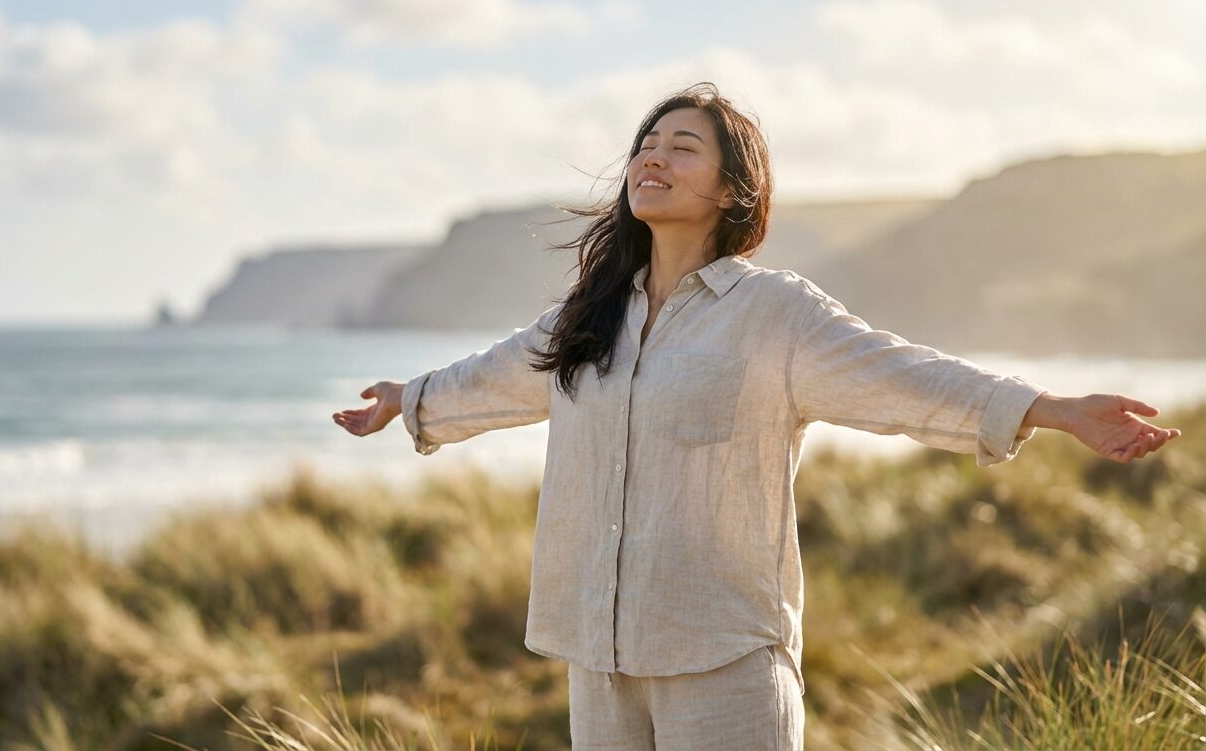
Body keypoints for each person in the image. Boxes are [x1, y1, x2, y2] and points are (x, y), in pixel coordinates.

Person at [330, 82, 1182, 750]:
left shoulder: (773, 314)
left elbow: (901, 379)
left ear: (733, 188)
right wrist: (411, 401)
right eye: (645, 146)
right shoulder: (590, 315)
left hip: (726, 661)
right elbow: (501, 375)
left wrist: (1052, 409)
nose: (652, 158)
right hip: (598, 657)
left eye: (682, 146)